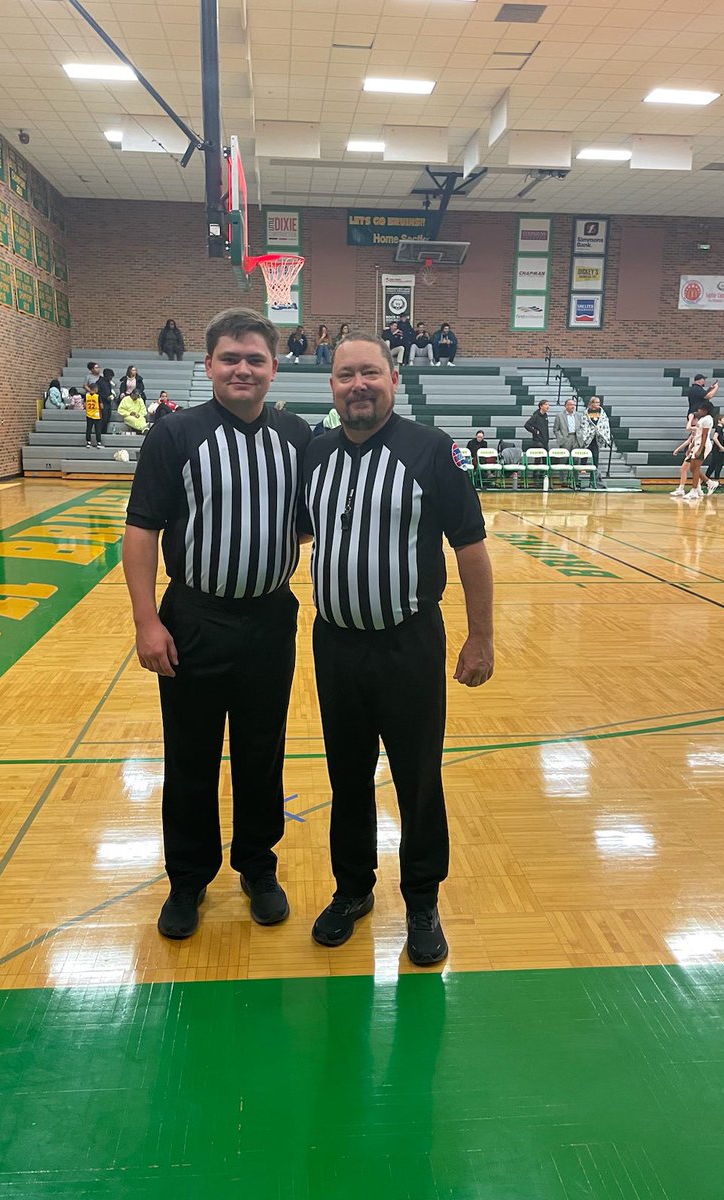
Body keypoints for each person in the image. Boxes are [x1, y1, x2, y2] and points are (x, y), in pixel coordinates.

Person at [304, 333, 494, 967]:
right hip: (335, 645)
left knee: (417, 778)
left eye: (370, 373)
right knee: (346, 775)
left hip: (409, 644)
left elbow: (470, 547)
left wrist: (481, 635)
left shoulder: (431, 450)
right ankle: (353, 889)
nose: (357, 385)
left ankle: (421, 901)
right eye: (345, 375)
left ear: (393, 378)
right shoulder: (316, 453)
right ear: (332, 386)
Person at [122, 308, 311, 940]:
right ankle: (188, 878)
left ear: (274, 368)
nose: (242, 369)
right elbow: (141, 532)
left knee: (262, 749)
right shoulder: (175, 435)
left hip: (270, 618)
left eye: (255, 359)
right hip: (195, 617)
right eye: (230, 358)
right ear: (208, 365)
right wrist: (147, 621)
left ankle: (258, 866)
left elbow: (307, 524)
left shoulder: (298, 436)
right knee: (191, 754)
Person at [681, 400, 714, 502]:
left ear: (705, 410)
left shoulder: (708, 419)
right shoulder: (702, 419)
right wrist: (691, 447)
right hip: (697, 444)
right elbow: (697, 434)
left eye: (700, 409)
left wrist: (700, 449)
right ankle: (709, 482)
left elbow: (704, 435)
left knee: (696, 468)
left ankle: (694, 490)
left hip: (703, 445)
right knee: (692, 468)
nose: (698, 410)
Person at [578, 395, 612, 474]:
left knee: (595, 453)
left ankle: (595, 470)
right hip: (588, 436)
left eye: (598, 402)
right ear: (591, 403)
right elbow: (584, 423)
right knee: (585, 452)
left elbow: (604, 422)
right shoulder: (587, 412)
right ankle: (583, 467)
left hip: (597, 436)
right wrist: (590, 430)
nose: (598, 404)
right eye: (596, 402)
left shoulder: (602, 412)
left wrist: (599, 429)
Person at [704, 414, 724, 494]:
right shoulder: (718, 428)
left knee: (713, 465)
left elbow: (722, 439)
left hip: (719, 450)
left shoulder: (721, 429)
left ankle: (706, 480)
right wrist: (721, 446)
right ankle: (715, 482)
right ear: (719, 420)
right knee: (717, 466)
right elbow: (715, 438)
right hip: (717, 450)